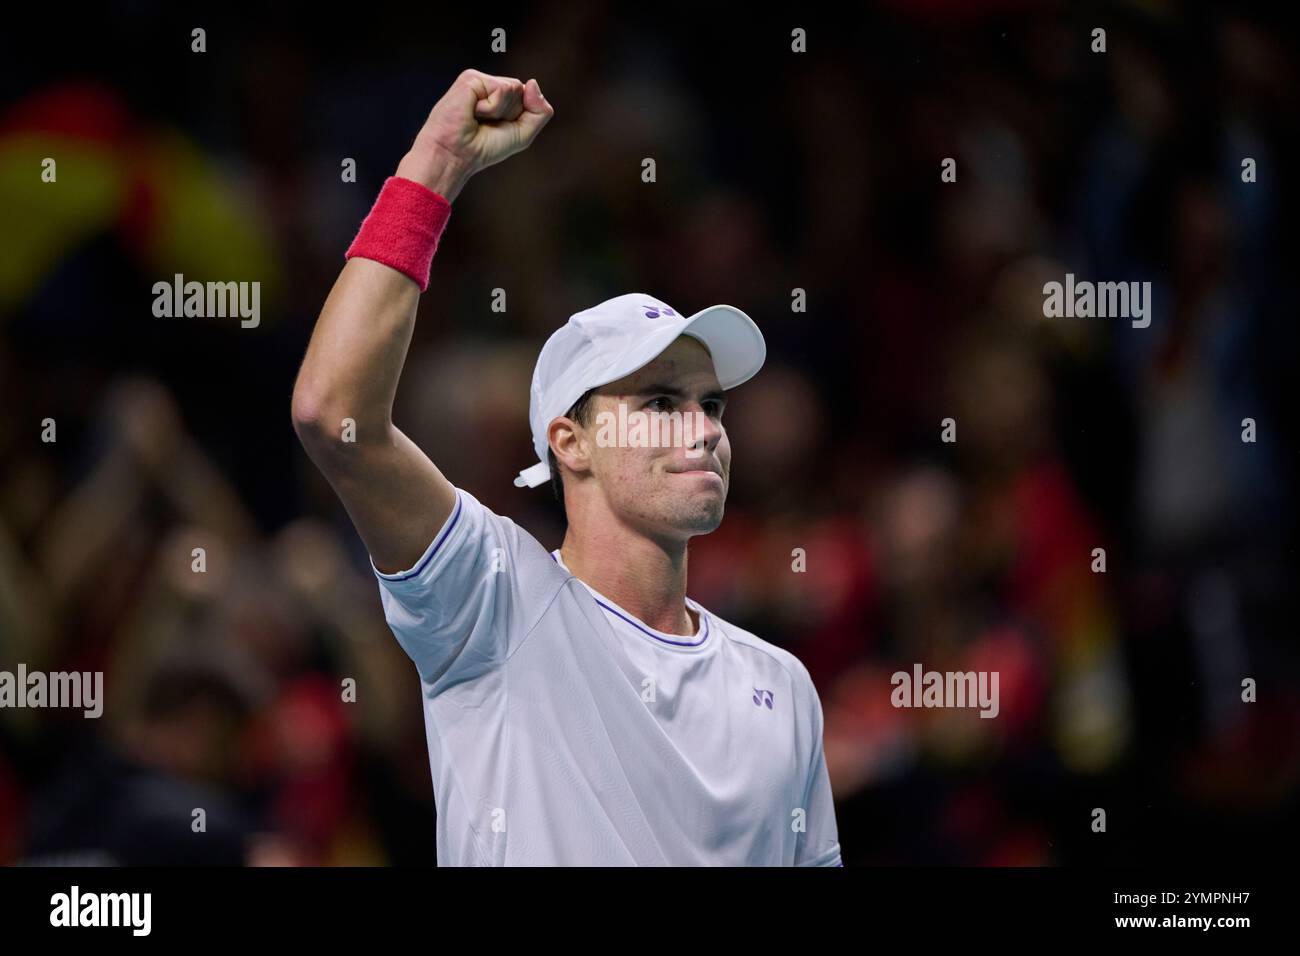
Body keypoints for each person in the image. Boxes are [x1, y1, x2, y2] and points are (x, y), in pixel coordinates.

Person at [291, 69, 841, 865]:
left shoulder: (783, 685)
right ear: (569, 442)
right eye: (659, 402)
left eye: (713, 406)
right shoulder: (492, 601)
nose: (704, 429)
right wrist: (438, 163)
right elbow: (331, 417)